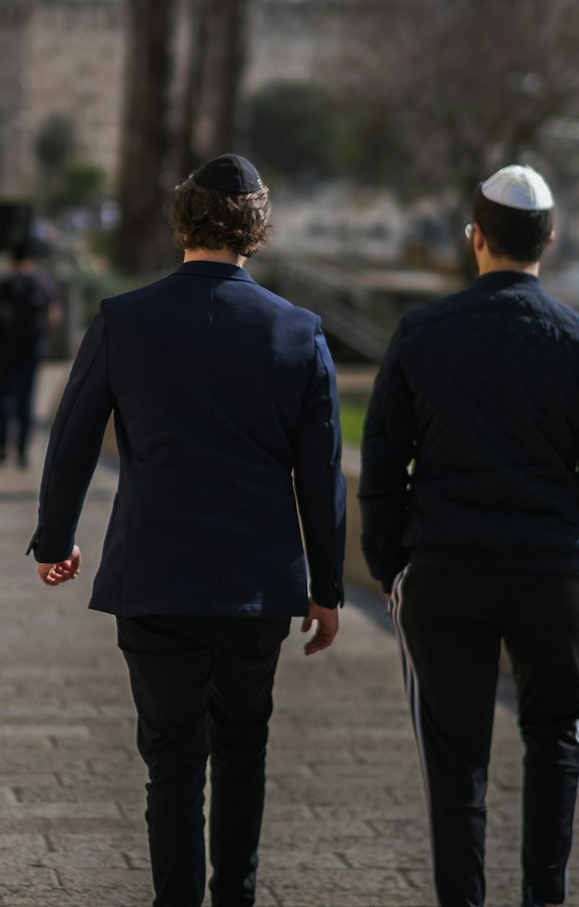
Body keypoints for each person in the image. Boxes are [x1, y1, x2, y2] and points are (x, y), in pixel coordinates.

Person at [28, 154, 346, 907]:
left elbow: (71, 438)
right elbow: (323, 474)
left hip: (155, 576)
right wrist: (326, 589)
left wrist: (54, 541)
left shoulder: (123, 320)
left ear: (182, 219)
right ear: (257, 228)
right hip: (258, 585)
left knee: (171, 761)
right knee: (243, 751)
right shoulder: (299, 333)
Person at [359, 164, 579, 907]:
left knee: (453, 763)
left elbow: (382, 463)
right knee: (555, 741)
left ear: (475, 238)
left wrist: (391, 564)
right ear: (550, 238)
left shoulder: (421, 332)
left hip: (445, 572)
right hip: (552, 573)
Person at [0, 241, 53, 468]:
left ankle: (2, 449)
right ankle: (23, 452)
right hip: (32, 349)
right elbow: (54, 317)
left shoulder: (3, 284)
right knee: (26, 399)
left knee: (5, 397)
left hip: (6, 348)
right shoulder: (43, 284)